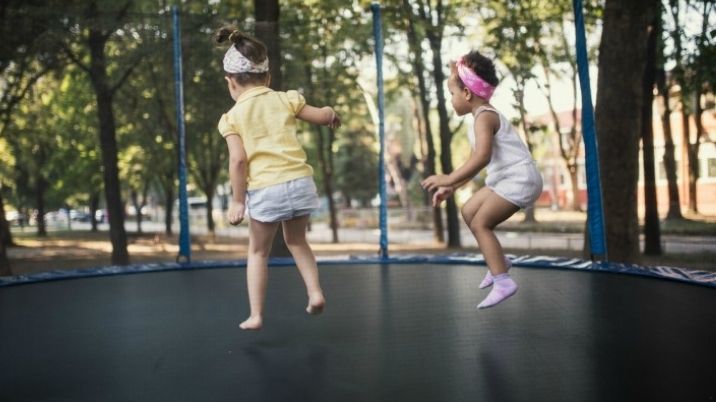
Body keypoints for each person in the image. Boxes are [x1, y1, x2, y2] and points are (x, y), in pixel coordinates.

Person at [215, 28, 341, 330]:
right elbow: (322, 116)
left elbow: (239, 160)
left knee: (258, 251)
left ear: (230, 82)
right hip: (300, 182)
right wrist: (330, 112)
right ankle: (314, 293)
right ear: (268, 78)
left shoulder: (231, 118)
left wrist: (237, 200)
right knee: (298, 241)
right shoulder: (286, 99)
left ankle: (256, 315)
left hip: (266, 189)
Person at [421, 51, 543, 309]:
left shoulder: (485, 116)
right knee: (469, 211)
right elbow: (475, 163)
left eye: (452, 94)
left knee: (480, 223)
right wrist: (451, 187)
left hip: (520, 179)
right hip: (504, 179)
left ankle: (503, 280)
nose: (451, 100)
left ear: (467, 94)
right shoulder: (478, 119)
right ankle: (500, 260)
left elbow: (482, 157)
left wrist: (448, 177)